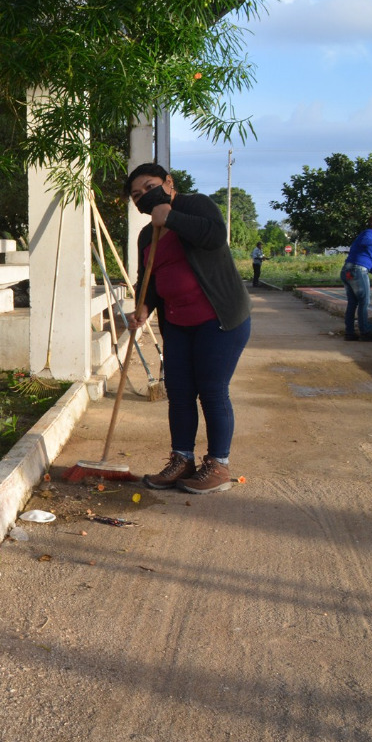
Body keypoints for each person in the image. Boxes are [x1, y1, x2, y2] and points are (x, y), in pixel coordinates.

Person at [125, 164, 251, 495]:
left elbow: (213, 237)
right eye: (137, 195)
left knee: (212, 389)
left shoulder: (195, 205)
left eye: (150, 187)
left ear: (169, 183)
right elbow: (149, 280)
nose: (144, 197)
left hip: (218, 319)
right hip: (178, 325)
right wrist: (142, 306)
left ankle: (218, 465)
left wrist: (172, 217)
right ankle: (182, 460)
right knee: (179, 392)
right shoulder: (145, 235)